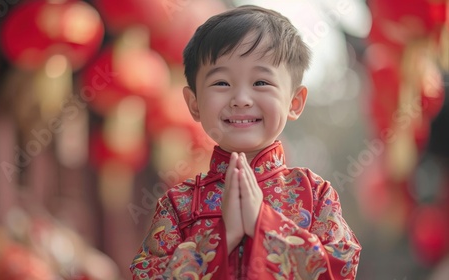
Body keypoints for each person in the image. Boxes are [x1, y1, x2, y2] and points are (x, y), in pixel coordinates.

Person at [130, 5, 361, 279]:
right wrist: (222, 237)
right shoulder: (178, 205)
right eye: (222, 83)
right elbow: (146, 273)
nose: (241, 98)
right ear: (194, 104)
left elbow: (341, 266)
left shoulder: (315, 194)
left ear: (294, 102)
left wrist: (262, 224)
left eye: (261, 82)